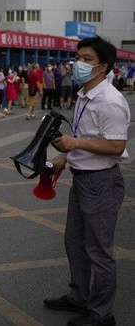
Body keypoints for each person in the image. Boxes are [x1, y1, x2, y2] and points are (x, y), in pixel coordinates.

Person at [46, 36, 129, 326]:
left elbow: (116, 146)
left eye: (87, 59)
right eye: (78, 57)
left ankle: (102, 312)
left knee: (99, 251)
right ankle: (79, 297)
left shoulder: (110, 101)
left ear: (102, 66)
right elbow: (86, 140)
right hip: (82, 180)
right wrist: (64, 158)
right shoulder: (84, 95)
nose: (78, 63)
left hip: (102, 183)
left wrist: (74, 142)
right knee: (75, 243)